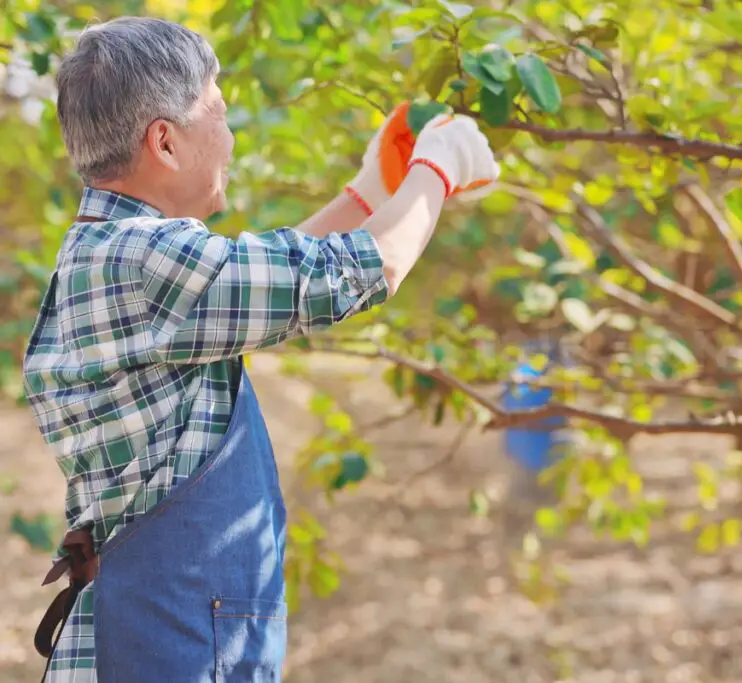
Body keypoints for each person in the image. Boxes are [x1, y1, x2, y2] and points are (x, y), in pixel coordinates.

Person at [22, 15, 499, 683]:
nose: (232, 134)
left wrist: (368, 191)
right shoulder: (144, 258)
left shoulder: (118, 253)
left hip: (156, 640)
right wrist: (437, 169)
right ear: (164, 140)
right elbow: (363, 271)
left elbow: (268, 282)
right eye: (218, 110)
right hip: (162, 648)